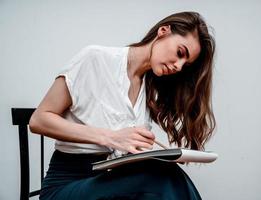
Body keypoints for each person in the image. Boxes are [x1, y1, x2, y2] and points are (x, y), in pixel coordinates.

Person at [29, 11, 216, 200]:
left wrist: (146, 151)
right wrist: (111, 138)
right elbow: (39, 120)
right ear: (163, 31)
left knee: (166, 173)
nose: (178, 66)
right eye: (180, 53)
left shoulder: (147, 90)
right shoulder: (95, 59)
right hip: (67, 186)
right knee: (158, 178)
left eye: (185, 64)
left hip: (110, 183)